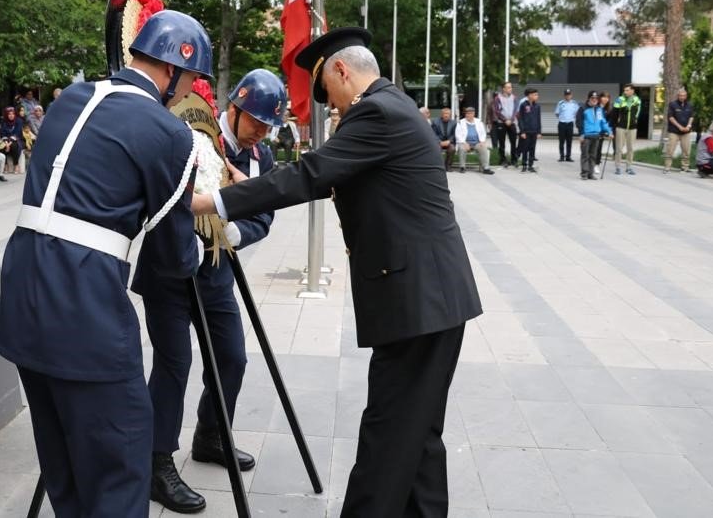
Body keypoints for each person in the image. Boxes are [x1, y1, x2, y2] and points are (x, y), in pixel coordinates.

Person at [191, 27, 482, 516]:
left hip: (418, 302)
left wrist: (212, 201)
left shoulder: (376, 112)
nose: (332, 109)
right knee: (419, 434)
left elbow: (311, 173)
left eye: (329, 94)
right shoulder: (396, 106)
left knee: (388, 434)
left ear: (342, 70)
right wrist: (252, 187)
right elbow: (334, 180)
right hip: (433, 298)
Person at [0, 10, 212, 516]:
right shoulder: (169, 133)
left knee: (63, 464)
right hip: (84, 310)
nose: (187, 94)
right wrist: (200, 247)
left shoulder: (72, 98)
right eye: (189, 81)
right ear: (173, 71)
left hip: (22, 300)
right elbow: (171, 256)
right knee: (120, 466)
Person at [139, 69, 284, 514]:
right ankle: (155, 462)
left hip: (217, 268)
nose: (260, 132)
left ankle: (211, 436)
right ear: (234, 109)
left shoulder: (261, 156)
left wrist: (228, 232)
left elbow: (264, 215)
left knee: (232, 357)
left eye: (268, 126)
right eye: (255, 121)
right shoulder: (187, 129)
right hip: (169, 269)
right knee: (174, 363)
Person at [576, 91, 611, 180]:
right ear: (589, 98)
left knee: (593, 156)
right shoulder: (583, 108)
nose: (594, 100)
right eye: (592, 98)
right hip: (586, 135)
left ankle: (590, 174)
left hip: (596, 135)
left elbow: (603, 122)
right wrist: (581, 134)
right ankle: (584, 173)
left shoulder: (599, 109)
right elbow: (579, 122)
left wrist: (610, 132)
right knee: (585, 155)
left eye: (596, 98)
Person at [454, 107, 495, 174]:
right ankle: (462, 167)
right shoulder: (460, 122)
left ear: (473, 114)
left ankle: (485, 168)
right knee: (462, 148)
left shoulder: (479, 122)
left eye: (470, 113)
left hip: (477, 143)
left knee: (483, 147)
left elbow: (483, 133)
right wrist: (464, 143)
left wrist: (482, 141)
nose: (468, 115)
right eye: (467, 113)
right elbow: (458, 135)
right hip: (465, 142)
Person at [611, 83, 641, 175]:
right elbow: (614, 114)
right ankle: (618, 167)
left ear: (632, 91)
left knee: (630, 148)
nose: (625, 92)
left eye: (627, 90)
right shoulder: (619, 99)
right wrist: (615, 125)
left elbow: (638, 112)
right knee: (619, 148)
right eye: (624, 90)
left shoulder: (637, 100)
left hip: (632, 128)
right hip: (621, 127)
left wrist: (635, 120)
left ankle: (629, 167)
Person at [664, 88, 695, 173]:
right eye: (680, 95)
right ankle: (667, 167)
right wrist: (680, 127)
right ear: (678, 96)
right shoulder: (672, 104)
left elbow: (691, 117)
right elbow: (671, 117)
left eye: (684, 95)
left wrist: (688, 126)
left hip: (686, 132)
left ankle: (685, 167)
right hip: (674, 131)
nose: (682, 97)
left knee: (686, 150)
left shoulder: (689, 105)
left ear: (686, 96)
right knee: (670, 149)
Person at [492, 82, 519, 167]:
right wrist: (504, 120)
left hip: (512, 123)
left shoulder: (514, 98)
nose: (509, 89)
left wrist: (511, 120)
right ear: (503, 89)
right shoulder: (497, 98)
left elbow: (516, 110)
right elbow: (497, 111)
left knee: (513, 142)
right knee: (502, 143)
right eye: (507, 87)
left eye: (510, 87)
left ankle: (514, 160)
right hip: (502, 123)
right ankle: (502, 159)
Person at [516, 88, 542, 173]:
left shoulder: (537, 106)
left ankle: (531, 165)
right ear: (529, 95)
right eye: (535, 95)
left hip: (534, 131)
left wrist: (539, 131)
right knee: (525, 149)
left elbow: (538, 119)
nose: (537, 96)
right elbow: (521, 119)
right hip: (526, 131)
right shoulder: (523, 105)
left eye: (537, 95)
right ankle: (524, 165)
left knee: (532, 148)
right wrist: (522, 131)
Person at [554, 89, 579, 162]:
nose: (568, 96)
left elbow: (578, 112)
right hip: (562, 124)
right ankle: (561, 156)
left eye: (569, 94)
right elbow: (557, 113)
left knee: (569, 141)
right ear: (564, 95)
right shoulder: (560, 103)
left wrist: (572, 118)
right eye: (566, 95)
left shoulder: (574, 103)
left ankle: (568, 156)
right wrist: (562, 118)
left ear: (571, 95)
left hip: (570, 124)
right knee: (561, 141)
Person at [0, 106, 25, 173]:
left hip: (17, 139)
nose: (11, 116)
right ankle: (5, 165)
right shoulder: (3, 121)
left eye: (13, 114)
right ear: (6, 115)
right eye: (9, 114)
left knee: (13, 146)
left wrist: (9, 143)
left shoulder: (19, 121)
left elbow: (17, 133)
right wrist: (6, 143)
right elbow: (2, 133)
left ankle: (16, 165)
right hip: (5, 140)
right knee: (2, 146)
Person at [431, 107, 457, 171]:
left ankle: (448, 166)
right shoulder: (435, 122)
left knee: (452, 148)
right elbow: (433, 134)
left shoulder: (454, 123)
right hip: (439, 142)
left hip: (449, 142)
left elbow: (454, 134)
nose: (446, 115)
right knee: (437, 148)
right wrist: (439, 142)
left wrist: (449, 141)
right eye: (444, 113)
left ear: (450, 115)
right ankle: (440, 166)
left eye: (447, 113)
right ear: (441, 114)